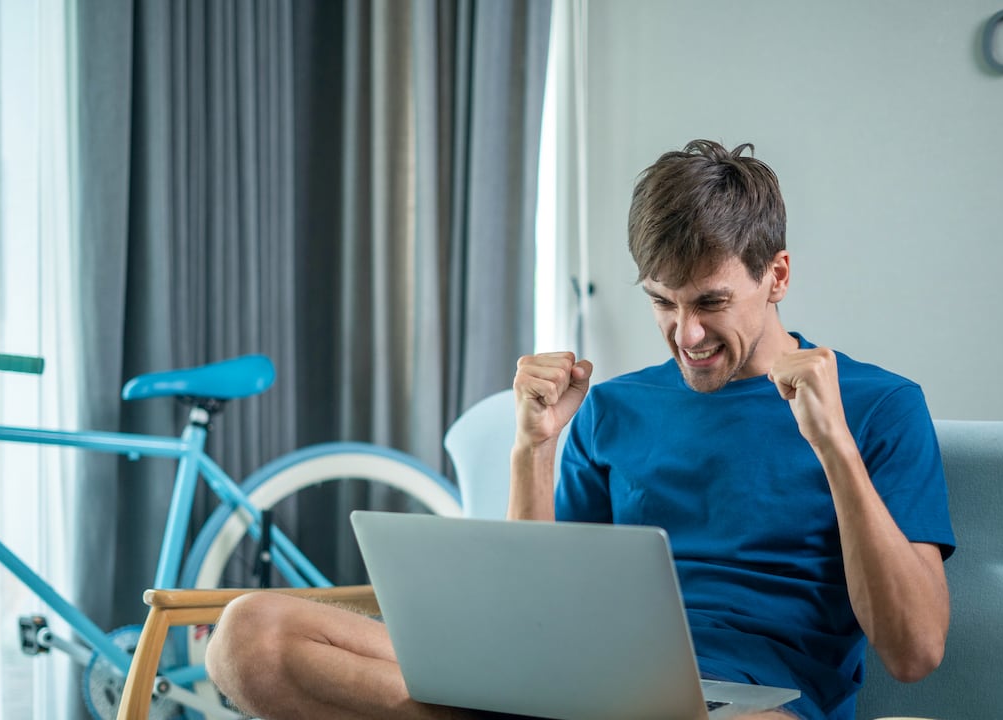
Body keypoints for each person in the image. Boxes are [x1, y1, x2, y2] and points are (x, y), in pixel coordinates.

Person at [205, 139, 955, 720]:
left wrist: (835, 449)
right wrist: (534, 447)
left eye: (710, 302)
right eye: (662, 303)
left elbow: (915, 650)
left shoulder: (879, 406)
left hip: (751, 705)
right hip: (586, 691)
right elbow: (528, 622)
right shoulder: (614, 409)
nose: (684, 333)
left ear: (778, 276)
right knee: (251, 638)